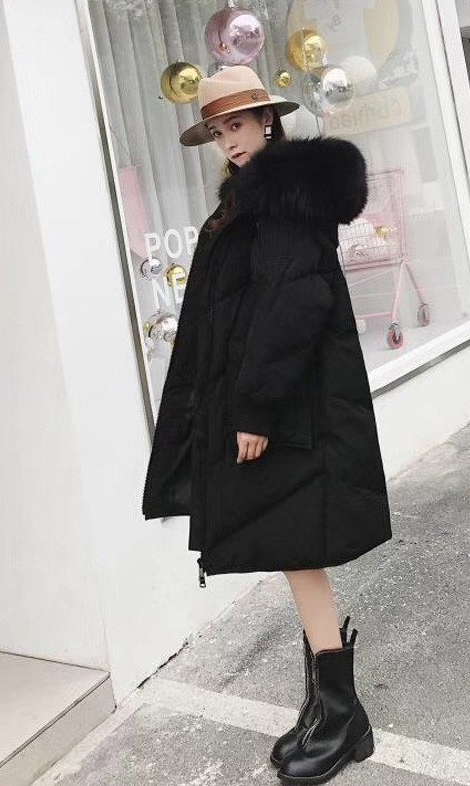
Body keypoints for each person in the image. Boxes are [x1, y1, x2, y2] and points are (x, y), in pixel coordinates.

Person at [142, 65, 391, 785]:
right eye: (218, 130)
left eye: (238, 124)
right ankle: (328, 705)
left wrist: (254, 409)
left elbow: (293, 307)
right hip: (281, 404)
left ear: (267, 122)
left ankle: (341, 715)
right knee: (292, 547)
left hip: (287, 408)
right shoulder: (253, 198)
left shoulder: (280, 199)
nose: (229, 140)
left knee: (296, 546)